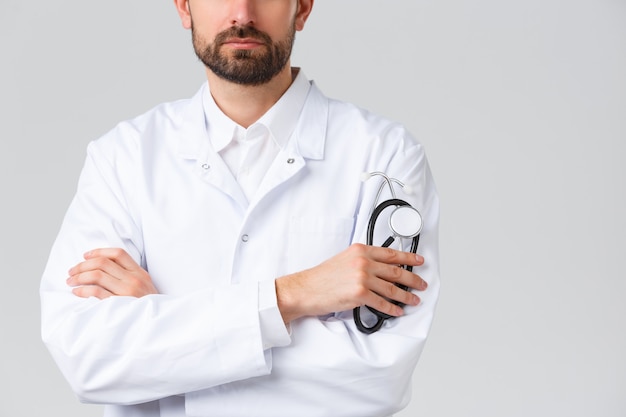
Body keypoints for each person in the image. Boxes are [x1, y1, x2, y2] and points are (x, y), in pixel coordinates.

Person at [40, 1, 440, 416]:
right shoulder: (122, 157)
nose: (242, 14)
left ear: (301, 8)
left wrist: (164, 327)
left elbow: (377, 380)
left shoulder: (386, 157)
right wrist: (292, 296)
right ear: (184, 8)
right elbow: (89, 360)